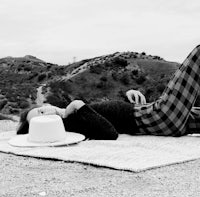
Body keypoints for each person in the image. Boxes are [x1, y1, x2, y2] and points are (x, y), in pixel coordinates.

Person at [17, 45, 200, 139]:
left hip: (154, 115)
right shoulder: (72, 123)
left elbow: (114, 116)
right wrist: (78, 105)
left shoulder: (74, 116)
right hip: (159, 117)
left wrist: (130, 99)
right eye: (41, 114)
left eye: (42, 108)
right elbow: (109, 132)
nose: (47, 108)